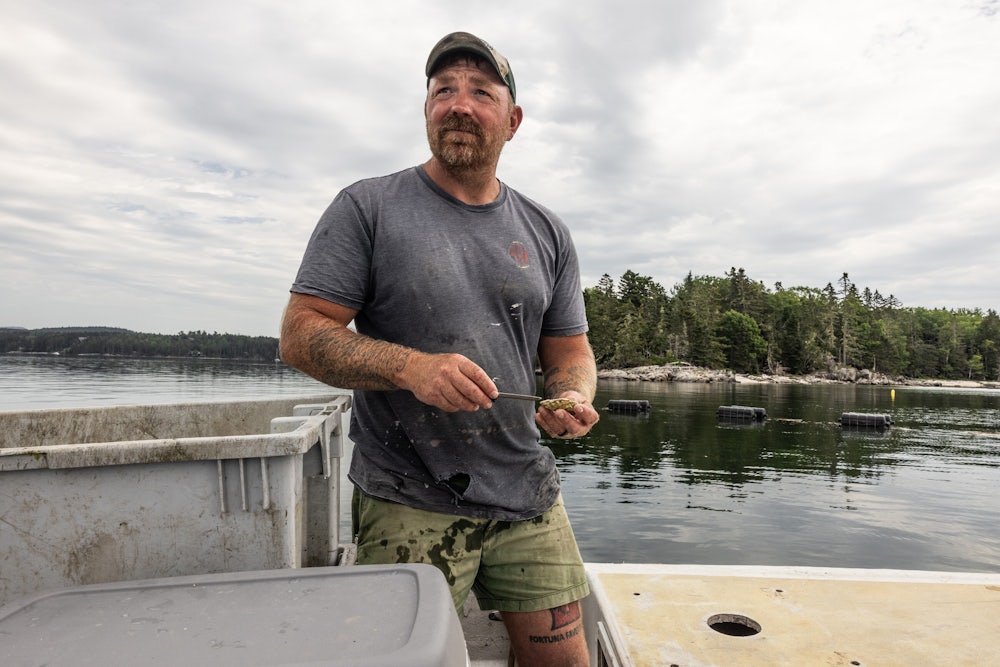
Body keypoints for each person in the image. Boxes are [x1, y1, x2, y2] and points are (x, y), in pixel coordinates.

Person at [279, 31, 599, 666]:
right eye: (443, 90)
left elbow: (570, 352)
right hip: (407, 495)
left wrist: (572, 395)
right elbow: (301, 334)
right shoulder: (366, 208)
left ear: (512, 121)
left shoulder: (547, 230)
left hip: (527, 493)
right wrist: (410, 368)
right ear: (426, 110)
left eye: (481, 92)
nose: (458, 103)